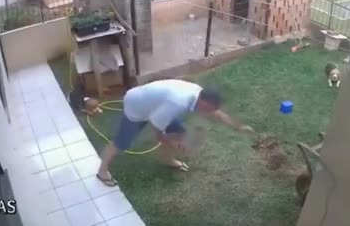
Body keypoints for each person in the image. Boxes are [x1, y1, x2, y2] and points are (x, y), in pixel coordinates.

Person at [96, 79, 255, 186]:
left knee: (179, 131)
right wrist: (174, 143)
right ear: (203, 102)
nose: (208, 113)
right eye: (207, 110)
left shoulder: (199, 94)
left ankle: (166, 160)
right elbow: (157, 131)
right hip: (136, 107)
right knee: (122, 143)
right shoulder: (177, 102)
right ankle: (102, 172)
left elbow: (217, 113)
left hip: (154, 105)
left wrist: (238, 127)